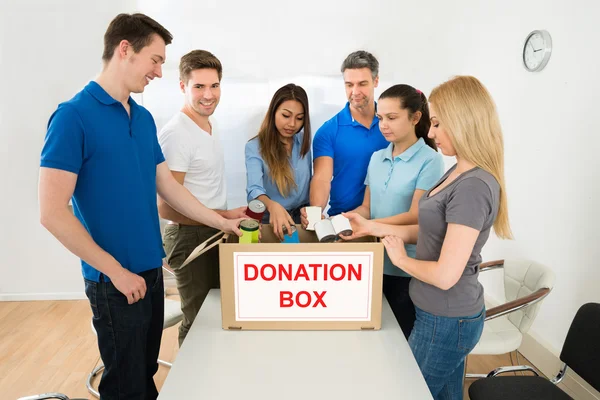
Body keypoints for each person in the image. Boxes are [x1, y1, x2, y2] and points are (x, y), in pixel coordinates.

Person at [38, 14, 242, 400]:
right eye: (156, 59)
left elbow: (169, 187)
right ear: (125, 49)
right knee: (127, 386)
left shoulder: (143, 117)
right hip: (114, 281)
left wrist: (222, 222)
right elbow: (51, 212)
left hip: (150, 271)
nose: (159, 72)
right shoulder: (72, 117)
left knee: (144, 374)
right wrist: (116, 272)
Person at [344, 76, 512, 399]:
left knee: (407, 391)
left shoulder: (474, 186)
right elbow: (427, 230)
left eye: (437, 123)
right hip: (440, 314)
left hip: (446, 319)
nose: (431, 132)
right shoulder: (458, 171)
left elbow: (446, 275)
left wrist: (401, 259)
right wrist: (372, 228)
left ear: (463, 122)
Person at [158, 50, 247, 346]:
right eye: (199, 86)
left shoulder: (210, 124)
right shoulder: (176, 134)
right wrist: (220, 218)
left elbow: (202, 188)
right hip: (188, 235)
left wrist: (226, 215)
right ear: (183, 86)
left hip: (211, 229)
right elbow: (166, 206)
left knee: (218, 315)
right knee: (197, 321)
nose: (208, 95)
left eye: (214, 86)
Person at [349, 84, 444, 339]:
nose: (383, 125)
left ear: (415, 117)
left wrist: (370, 225)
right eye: (380, 118)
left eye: (392, 118)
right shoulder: (376, 157)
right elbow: (367, 208)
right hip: (372, 260)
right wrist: (346, 218)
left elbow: (416, 215)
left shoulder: (430, 160)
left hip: (406, 267)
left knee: (400, 339)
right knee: (371, 336)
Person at [300, 50, 388, 226]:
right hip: (343, 222)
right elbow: (322, 178)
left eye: (362, 84)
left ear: (376, 81)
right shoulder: (328, 131)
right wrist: (315, 213)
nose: (355, 91)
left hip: (388, 221)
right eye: (349, 85)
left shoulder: (391, 125)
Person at [245, 84, 311, 240]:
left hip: (300, 221)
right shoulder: (254, 146)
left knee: (300, 263)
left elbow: (311, 182)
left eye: (299, 118)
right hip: (269, 220)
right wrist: (272, 205)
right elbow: (254, 190)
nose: (292, 124)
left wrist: (313, 210)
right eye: (286, 115)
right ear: (273, 112)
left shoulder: (303, 142)